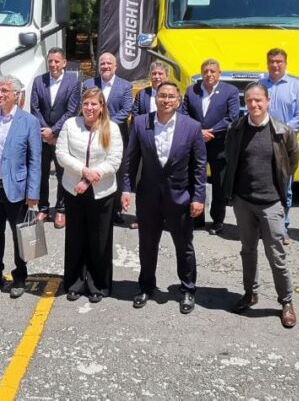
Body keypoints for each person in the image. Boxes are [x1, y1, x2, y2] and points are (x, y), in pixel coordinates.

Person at [120, 81, 206, 314]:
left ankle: (187, 289)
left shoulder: (191, 127)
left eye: (171, 97)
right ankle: (146, 286)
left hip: (180, 197)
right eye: (162, 96)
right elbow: (131, 161)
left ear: (178, 101)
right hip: (148, 197)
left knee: (184, 246)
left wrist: (199, 197)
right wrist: (126, 189)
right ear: (155, 98)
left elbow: (199, 166)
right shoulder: (140, 123)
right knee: (147, 245)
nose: (166, 100)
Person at [223, 82, 299, 328]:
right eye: (249, 101)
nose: (253, 105)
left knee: (276, 255)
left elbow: (291, 163)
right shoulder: (236, 129)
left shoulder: (283, 132)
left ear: (268, 101)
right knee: (247, 251)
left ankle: (286, 302)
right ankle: (250, 293)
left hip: (271, 204)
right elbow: (231, 159)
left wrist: (277, 194)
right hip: (244, 202)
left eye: (258, 100)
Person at [0, 75, 40, 298]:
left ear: (16, 95)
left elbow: (35, 160)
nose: (0, 95)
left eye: (4, 91)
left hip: (18, 190)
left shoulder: (28, 121)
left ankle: (20, 276)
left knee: (20, 235)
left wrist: (33, 193)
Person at [55, 88, 123, 302]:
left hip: (102, 192)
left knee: (99, 239)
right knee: (76, 238)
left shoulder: (111, 128)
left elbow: (114, 161)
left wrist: (92, 176)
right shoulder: (70, 125)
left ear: (102, 106)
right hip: (73, 190)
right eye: (86, 104)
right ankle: (75, 281)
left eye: (94, 104)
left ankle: (98, 284)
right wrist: (83, 172)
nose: (89, 108)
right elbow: (61, 154)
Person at [182, 59, 239, 235]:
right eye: (205, 71)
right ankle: (196, 218)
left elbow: (232, 117)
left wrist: (212, 131)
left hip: (219, 144)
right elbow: (184, 114)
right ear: (201, 73)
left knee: (219, 184)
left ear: (219, 73)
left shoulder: (230, 91)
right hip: (196, 143)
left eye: (213, 71)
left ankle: (217, 220)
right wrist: (199, 131)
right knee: (195, 179)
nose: (209, 74)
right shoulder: (192, 91)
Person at [29, 47, 80, 227]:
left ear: (64, 63)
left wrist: (55, 131)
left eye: (57, 61)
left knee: (62, 174)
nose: (53, 64)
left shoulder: (73, 82)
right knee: (41, 174)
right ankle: (43, 209)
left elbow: (72, 110)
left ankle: (61, 210)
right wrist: (46, 131)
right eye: (50, 61)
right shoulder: (38, 81)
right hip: (42, 137)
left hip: (62, 137)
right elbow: (34, 108)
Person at [83, 51, 133, 226]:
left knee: (117, 171)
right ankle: (92, 204)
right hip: (91, 134)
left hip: (116, 134)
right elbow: (84, 107)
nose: (105, 66)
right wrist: (95, 124)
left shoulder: (125, 86)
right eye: (102, 63)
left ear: (115, 66)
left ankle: (116, 210)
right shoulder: (88, 83)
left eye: (108, 64)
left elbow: (127, 109)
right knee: (93, 166)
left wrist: (106, 124)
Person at [261, 47, 299, 230]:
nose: (275, 65)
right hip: (263, 141)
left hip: (285, 143)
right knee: (264, 183)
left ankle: (283, 226)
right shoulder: (261, 84)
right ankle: (264, 224)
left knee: (285, 186)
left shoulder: (296, 86)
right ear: (267, 64)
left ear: (285, 63)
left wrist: (281, 131)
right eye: (272, 62)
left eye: (279, 61)